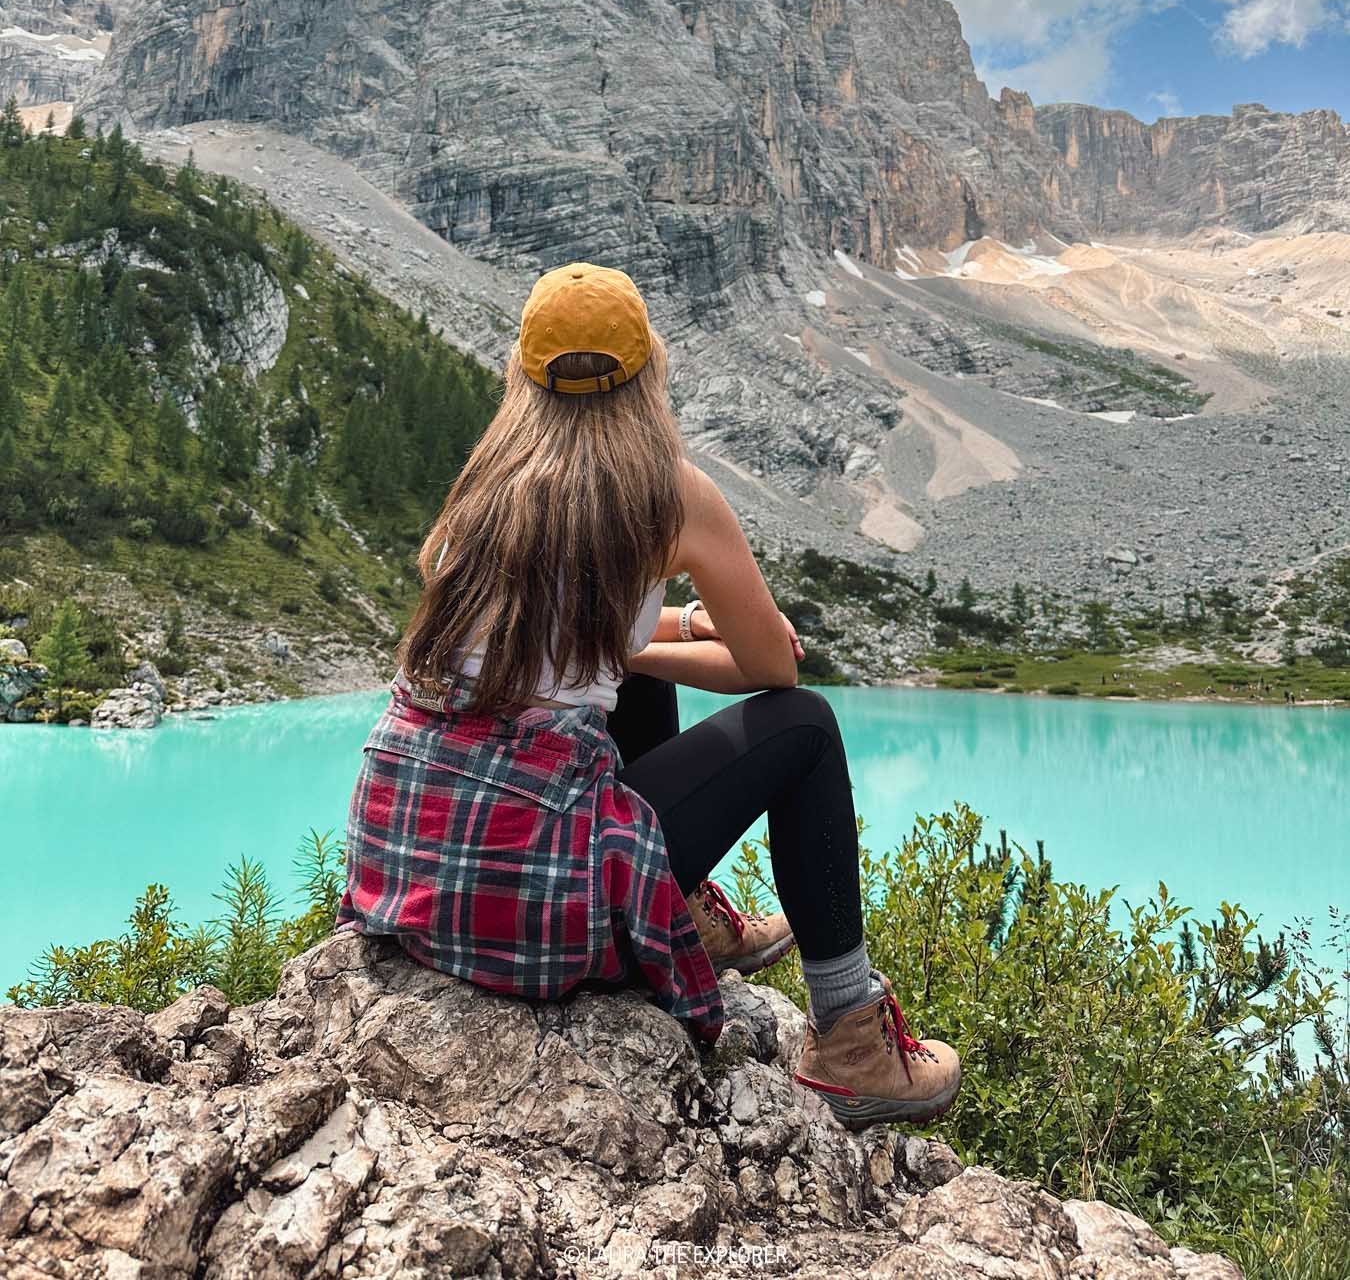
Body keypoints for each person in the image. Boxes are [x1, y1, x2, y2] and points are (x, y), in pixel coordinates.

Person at [336, 260, 961, 1129]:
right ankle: (852, 1043)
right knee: (807, 728)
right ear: (647, 373)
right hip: (531, 905)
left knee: (612, 691)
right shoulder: (668, 495)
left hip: (408, 874)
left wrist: (657, 638)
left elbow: (551, 646)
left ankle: (689, 913)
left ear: (520, 374)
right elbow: (775, 674)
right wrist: (693, 640)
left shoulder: (483, 493)